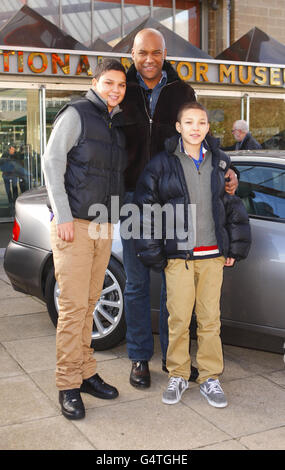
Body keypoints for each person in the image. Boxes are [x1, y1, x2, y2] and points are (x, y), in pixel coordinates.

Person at [120, 28, 239, 389]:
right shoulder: (120, 89)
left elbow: (201, 132)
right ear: (133, 53)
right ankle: (140, 357)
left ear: (165, 52)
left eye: (156, 53)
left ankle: (177, 362)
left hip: (175, 200)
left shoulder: (182, 91)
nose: (150, 60)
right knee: (137, 283)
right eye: (143, 53)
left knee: (174, 287)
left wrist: (227, 166)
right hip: (131, 200)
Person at [134, 101, 251, 407]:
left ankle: (210, 378)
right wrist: (155, 253)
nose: (195, 128)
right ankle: (179, 374)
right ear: (178, 127)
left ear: (208, 128)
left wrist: (234, 247)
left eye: (201, 123)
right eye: (189, 122)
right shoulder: (162, 164)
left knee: (211, 320)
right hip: (179, 259)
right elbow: (146, 209)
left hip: (213, 257)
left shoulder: (220, 162)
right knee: (179, 319)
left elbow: (232, 205)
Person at [42, 59, 127, 420]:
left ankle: (86, 372)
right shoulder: (76, 113)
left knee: (90, 304)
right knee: (75, 308)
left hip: (102, 227)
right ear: (95, 82)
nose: (115, 90)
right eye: (109, 83)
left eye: (121, 85)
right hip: (74, 225)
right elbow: (51, 162)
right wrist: (61, 215)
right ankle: (67, 384)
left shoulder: (114, 123)